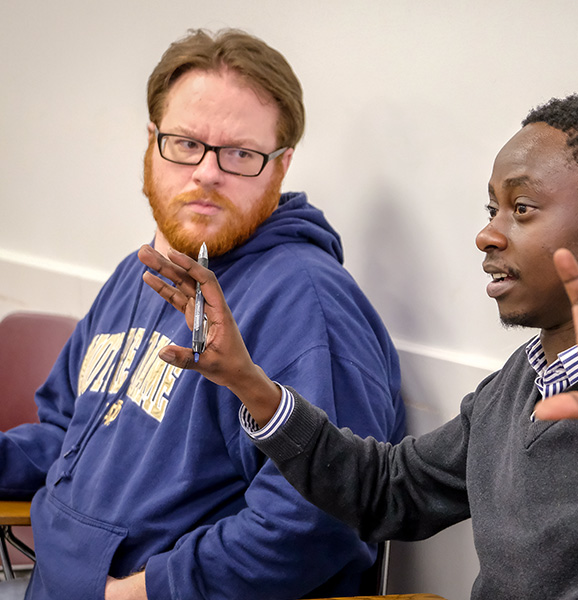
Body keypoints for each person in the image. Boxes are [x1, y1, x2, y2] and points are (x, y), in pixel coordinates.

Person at [139, 94, 578, 599]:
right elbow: (387, 491)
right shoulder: (518, 383)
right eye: (491, 210)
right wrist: (250, 382)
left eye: (522, 209)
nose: (488, 235)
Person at [0, 28, 405, 600]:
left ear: (281, 167)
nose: (207, 172)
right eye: (186, 143)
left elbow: (318, 522)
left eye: (240, 153)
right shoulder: (138, 272)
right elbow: (65, 434)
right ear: (152, 143)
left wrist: (134, 593)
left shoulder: (306, 304)